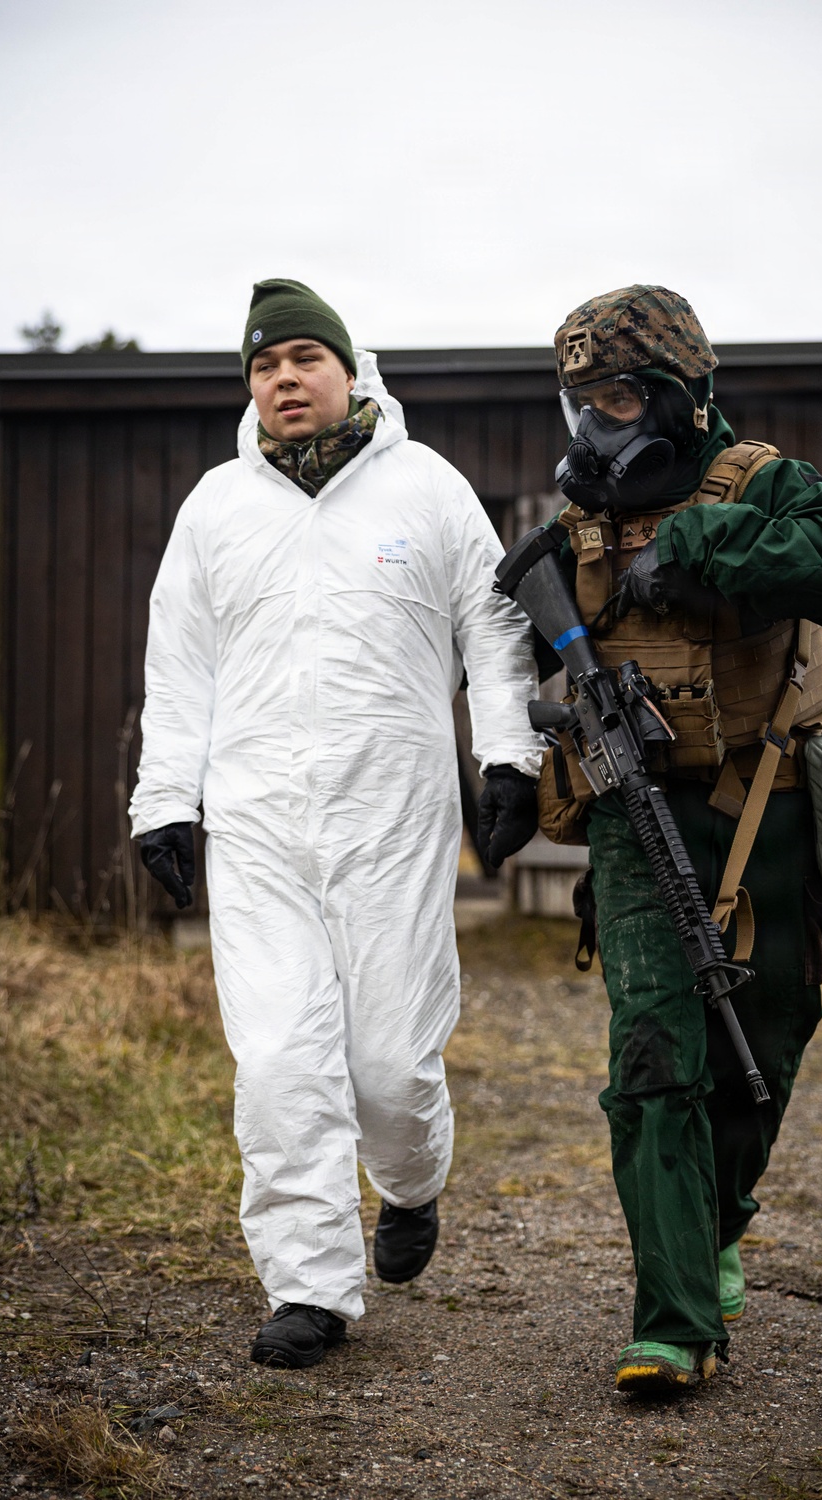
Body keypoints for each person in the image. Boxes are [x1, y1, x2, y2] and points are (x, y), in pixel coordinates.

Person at [130, 278, 542, 1368]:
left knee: (390, 1064)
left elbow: (494, 629)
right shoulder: (216, 506)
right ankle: (310, 1286)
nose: (283, 380)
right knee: (276, 1061)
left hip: (392, 814)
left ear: (349, 372)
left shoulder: (427, 489)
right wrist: (165, 799)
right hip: (259, 820)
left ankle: (411, 1182)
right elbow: (179, 667)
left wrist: (510, 755)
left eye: (303, 359)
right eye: (264, 366)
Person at [541, 285, 822, 1394]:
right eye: (582, 400)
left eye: (624, 396)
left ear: (685, 398)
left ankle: (718, 1224)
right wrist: (507, 765)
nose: (601, 423)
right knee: (651, 1058)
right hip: (633, 814)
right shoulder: (573, 525)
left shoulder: (761, 482)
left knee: (766, 1044)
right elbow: (501, 643)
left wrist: (707, 550)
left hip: (765, 797)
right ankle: (672, 1322)